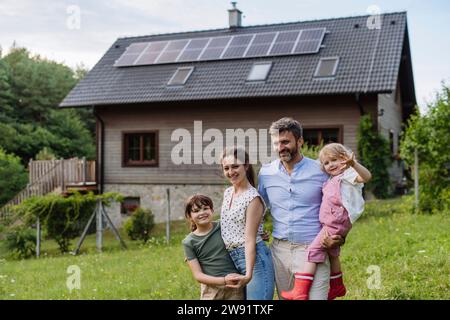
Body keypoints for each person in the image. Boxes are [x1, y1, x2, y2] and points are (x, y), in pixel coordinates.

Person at [258, 117, 345, 300]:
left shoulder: (321, 171)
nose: (280, 147)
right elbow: (259, 207)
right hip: (279, 251)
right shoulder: (266, 173)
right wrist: (259, 231)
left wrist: (340, 237)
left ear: (300, 141)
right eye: (276, 143)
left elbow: (340, 207)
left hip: (313, 249)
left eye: (285, 142)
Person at [281, 143, 372, 300]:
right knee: (333, 254)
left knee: (312, 252)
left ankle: (300, 291)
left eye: (334, 160)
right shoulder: (332, 179)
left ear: (344, 159)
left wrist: (354, 164)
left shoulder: (348, 175)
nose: (331, 165)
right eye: (326, 163)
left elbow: (367, 177)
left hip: (334, 222)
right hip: (333, 223)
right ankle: (337, 287)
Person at [220, 147, 275, 300]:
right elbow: (226, 224)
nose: (231, 172)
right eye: (226, 168)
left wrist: (249, 273)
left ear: (246, 166)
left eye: (235, 166)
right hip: (232, 258)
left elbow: (250, 238)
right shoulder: (228, 193)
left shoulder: (253, 198)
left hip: (254, 261)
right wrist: (198, 244)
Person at [182, 194, 245, 300]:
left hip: (235, 287)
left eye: (205, 208)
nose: (202, 213)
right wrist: (224, 280)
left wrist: (260, 235)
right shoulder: (189, 242)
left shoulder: (223, 226)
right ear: (189, 216)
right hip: (211, 290)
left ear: (212, 210)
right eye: (196, 211)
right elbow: (198, 276)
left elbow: (244, 233)